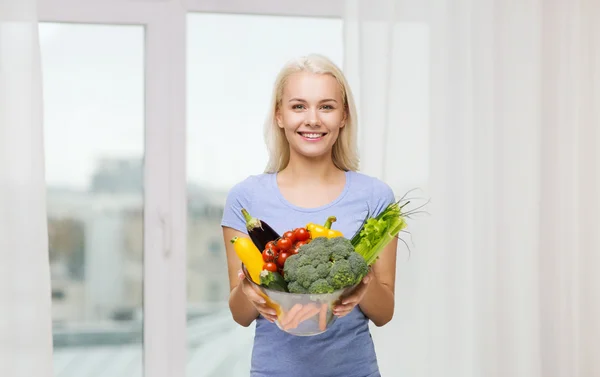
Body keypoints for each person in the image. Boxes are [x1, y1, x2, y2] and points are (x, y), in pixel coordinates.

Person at [221, 53, 398, 377]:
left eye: (326, 106)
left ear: (343, 116)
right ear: (279, 115)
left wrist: (362, 283)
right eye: (298, 106)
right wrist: (250, 291)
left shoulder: (375, 197)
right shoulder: (246, 198)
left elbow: (384, 312)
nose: (312, 119)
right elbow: (240, 315)